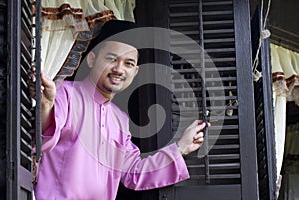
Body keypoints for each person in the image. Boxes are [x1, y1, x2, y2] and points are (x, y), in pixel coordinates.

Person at [33, 20, 209, 200]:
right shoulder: (65, 93)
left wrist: (180, 148)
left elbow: (133, 172)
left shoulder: (120, 119)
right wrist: (46, 106)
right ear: (92, 59)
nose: (119, 69)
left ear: (135, 71)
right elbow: (45, 137)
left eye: (129, 63)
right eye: (112, 59)